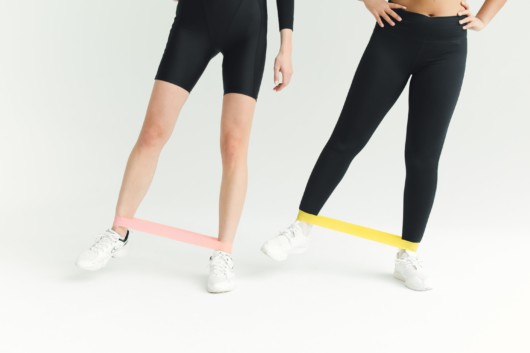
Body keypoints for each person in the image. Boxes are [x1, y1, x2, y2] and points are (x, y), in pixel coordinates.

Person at [262, 0, 507, 291]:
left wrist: (483, 18)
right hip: (395, 33)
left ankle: (408, 253)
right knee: (346, 139)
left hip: (448, 43)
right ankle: (300, 228)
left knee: (424, 156)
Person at [77, 0, 295, 294]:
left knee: (234, 145)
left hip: (247, 27)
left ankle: (223, 251)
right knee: (153, 131)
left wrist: (286, 45)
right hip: (196, 19)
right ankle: (118, 232)